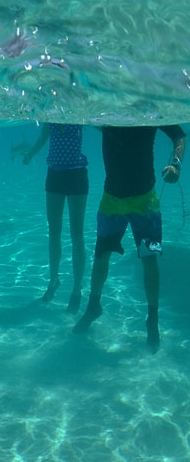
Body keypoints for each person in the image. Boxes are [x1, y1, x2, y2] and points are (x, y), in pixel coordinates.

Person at [73, 125, 186, 353]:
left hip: (146, 201)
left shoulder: (148, 111)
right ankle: (93, 306)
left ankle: (152, 319)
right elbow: (87, 115)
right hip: (111, 199)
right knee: (101, 255)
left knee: (149, 258)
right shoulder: (109, 110)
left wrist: (177, 164)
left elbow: (179, 134)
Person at [23, 123, 89, 312]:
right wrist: (30, 154)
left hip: (77, 175)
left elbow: (100, 124)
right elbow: (42, 138)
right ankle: (53, 280)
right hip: (54, 175)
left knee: (77, 234)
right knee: (54, 231)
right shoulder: (50, 115)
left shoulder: (79, 112)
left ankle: (77, 289)